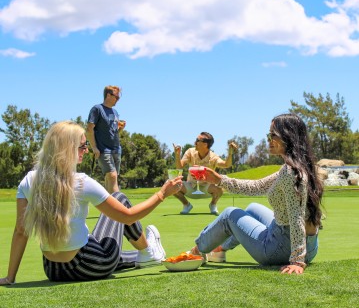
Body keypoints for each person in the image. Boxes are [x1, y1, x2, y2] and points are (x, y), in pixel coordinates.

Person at [0, 121, 183, 285]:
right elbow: (128, 217)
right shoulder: (81, 181)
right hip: (91, 265)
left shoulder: (28, 180)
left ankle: (146, 255)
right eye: (82, 146)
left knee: (94, 240)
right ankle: (148, 251)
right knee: (119, 198)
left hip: (53, 270)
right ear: (67, 149)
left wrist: (10, 277)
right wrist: (162, 194)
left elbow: (20, 231)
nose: (86, 150)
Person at [189, 114, 323, 274]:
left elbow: (296, 217)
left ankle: (196, 252)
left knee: (229, 215)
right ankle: (219, 249)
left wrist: (297, 261)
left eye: (273, 134)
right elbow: (257, 186)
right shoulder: (300, 166)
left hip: (281, 250)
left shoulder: (290, 172)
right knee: (252, 208)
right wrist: (219, 180)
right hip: (310, 246)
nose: (269, 139)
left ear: (288, 136)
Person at [173, 132, 238, 215]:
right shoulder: (190, 151)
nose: (194, 142)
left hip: (206, 189)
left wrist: (230, 153)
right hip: (191, 187)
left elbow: (226, 164)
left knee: (219, 189)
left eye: (197, 140)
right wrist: (177, 155)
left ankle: (213, 204)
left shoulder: (213, 157)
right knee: (172, 184)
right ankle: (186, 205)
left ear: (205, 144)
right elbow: (179, 167)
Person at [87, 85, 125, 193]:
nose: (117, 100)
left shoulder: (115, 112)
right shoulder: (97, 109)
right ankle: (118, 207)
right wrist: (94, 148)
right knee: (112, 176)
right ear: (108, 95)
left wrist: (120, 129)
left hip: (116, 149)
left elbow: (113, 131)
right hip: (104, 150)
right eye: (116, 97)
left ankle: (107, 210)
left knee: (112, 179)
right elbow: (89, 129)